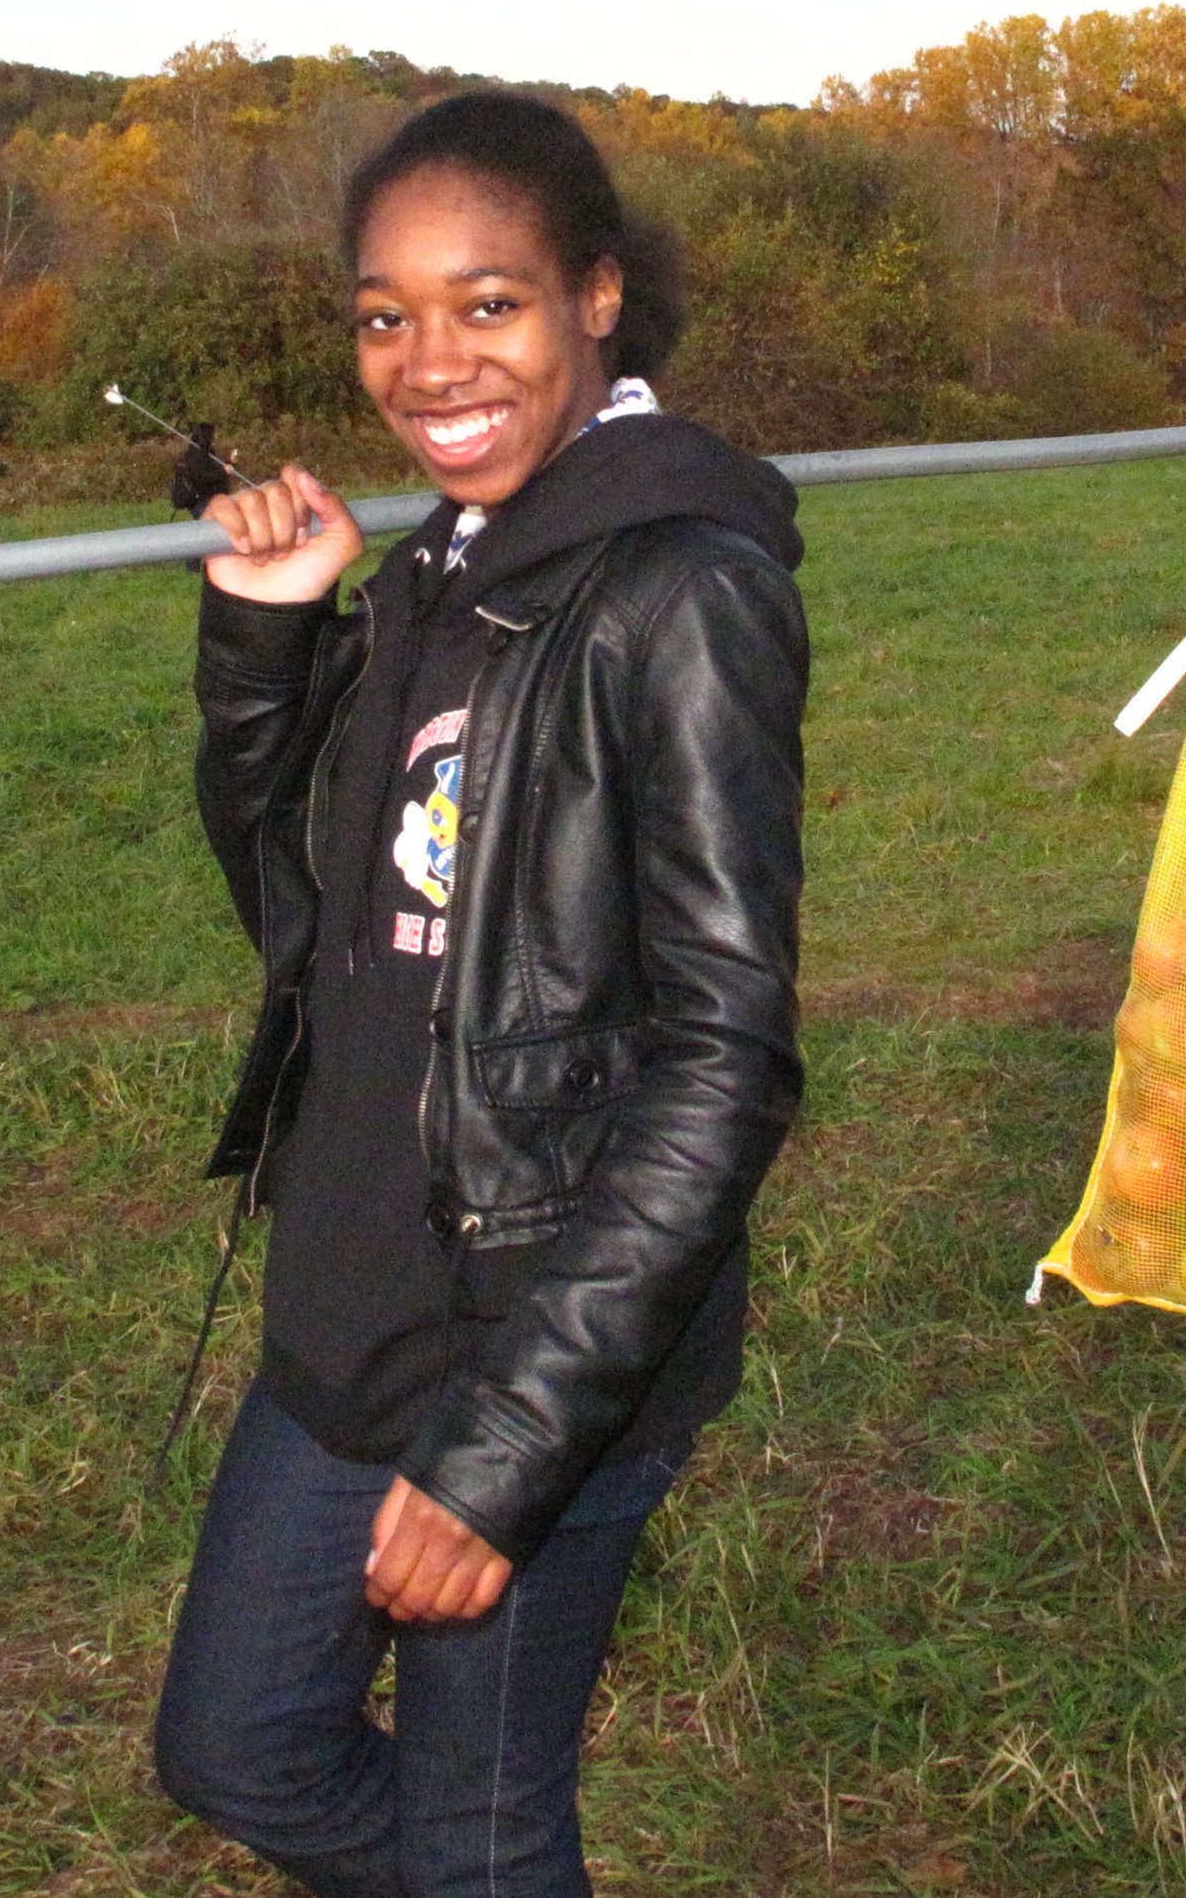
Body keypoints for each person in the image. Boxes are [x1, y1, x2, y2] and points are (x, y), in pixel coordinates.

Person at [153, 92, 810, 1894]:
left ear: (597, 297)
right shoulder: (453, 565)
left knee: (479, 1828)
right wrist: (275, 633)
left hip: (541, 1343)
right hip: (354, 1299)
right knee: (237, 1744)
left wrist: (509, 1452)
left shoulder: (679, 587)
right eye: (386, 314)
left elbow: (722, 1058)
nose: (428, 362)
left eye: (488, 303)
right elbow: (305, 920)